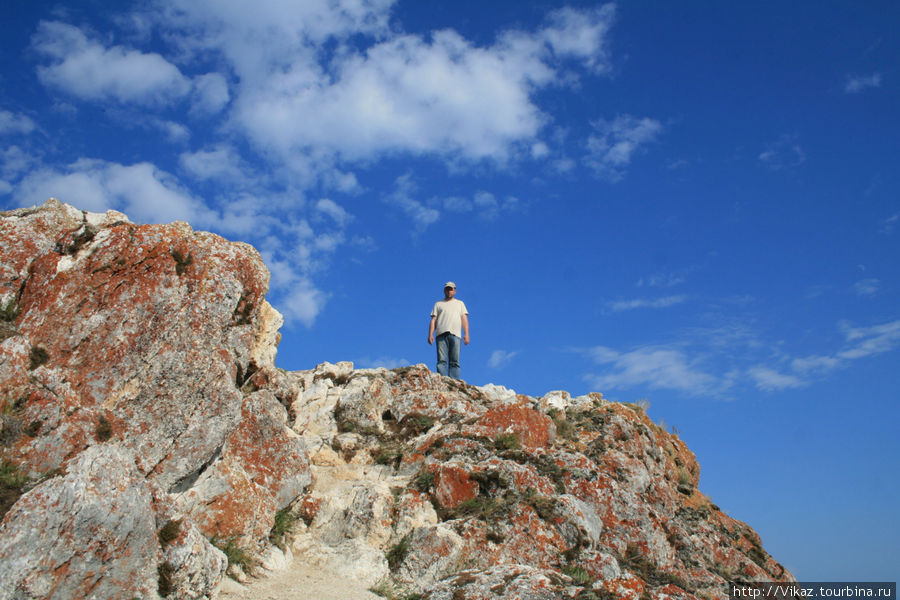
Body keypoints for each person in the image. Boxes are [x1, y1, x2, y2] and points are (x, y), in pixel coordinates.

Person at [427, 281, 469, 379]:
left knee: (454, 361)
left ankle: (454, 382)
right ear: (444, 290)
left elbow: (464, 319)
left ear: (455, 291)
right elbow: (433, 320)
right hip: (441, 334)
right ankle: (442, 380)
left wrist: (466, 334)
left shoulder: (460, 303)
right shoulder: (438, 304)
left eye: (451, 289)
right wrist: (430, 334)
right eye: (447, 289)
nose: (449, 291)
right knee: (442, 360)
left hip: (455, 334)